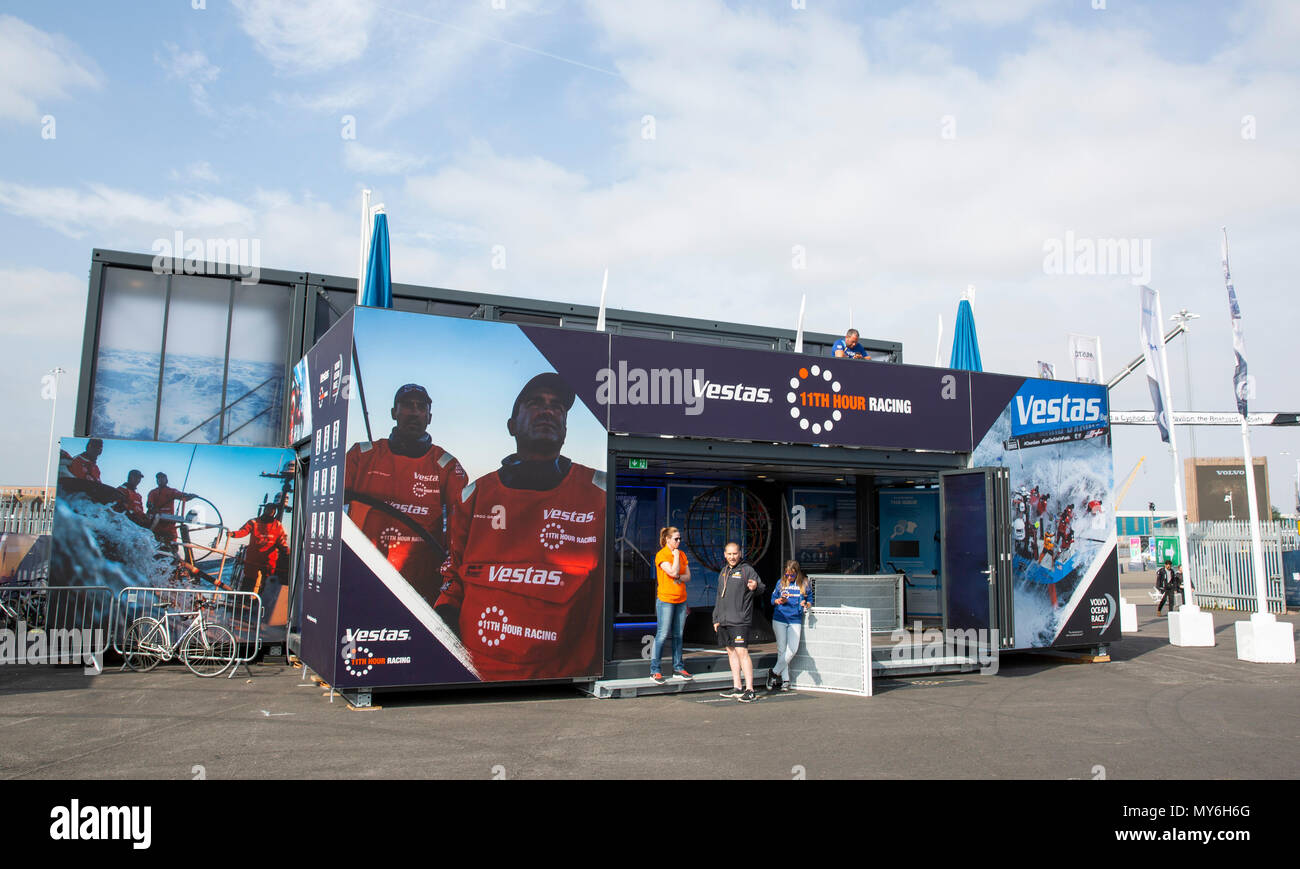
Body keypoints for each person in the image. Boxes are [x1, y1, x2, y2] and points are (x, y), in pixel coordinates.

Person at [436, 373, 605, 682]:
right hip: (476, 673)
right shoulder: (474, 496)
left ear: (566, 428)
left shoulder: (599, 494)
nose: (548, 411)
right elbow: (453, 576)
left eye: (558, 407)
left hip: (565, 678)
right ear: (512, 425)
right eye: (535, 402)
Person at [344, 383, 469, 601]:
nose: (414, 412)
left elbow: (461, 532)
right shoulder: (360, 456)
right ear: (394, 413)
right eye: (407, 405)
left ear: (429, 417)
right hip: (362, 577)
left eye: (421, 407)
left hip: (420, 593)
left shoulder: (447, 467)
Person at [712, 541, 765, 703]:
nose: (732, 557)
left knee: (742, 652)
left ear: (740, 553)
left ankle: (750, 689)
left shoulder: (747, 570)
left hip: (740, 619)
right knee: (731, 652)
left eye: (735, 554)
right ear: (725, 554)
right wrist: (716, 618)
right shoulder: (723, 571)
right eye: (729, 554)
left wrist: (755, 586)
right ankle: (737, 687)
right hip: (724, 620)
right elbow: (719, 596)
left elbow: (761, 588)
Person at [650, 526, 692, 684]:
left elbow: (687, 576)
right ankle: (655, 670)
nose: (679, 541)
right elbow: (673, 572)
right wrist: (674, 556)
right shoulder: (662, 555)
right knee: (662, 634)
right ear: (667, 540)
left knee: (678, 634)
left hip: (681, 599)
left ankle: (678, 667)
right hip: (666, 600)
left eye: (680, 538)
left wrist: (679, 577)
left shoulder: (682, 554)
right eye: (676, 539)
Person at [767, 560, 810, 692]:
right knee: (782, 649)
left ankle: (773, 673)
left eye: (792, 575)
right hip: (780, 618)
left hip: (795, 619)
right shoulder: (781, 583)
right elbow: (772, 600)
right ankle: (785, 680)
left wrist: (806, 604)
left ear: (797, 573)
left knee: (792, 649)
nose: (789, 577)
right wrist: (779, 600)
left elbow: (810, 600)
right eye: (787, 575)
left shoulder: (804, 584)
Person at [229, 504, 289, 595]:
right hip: (253, 557)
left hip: (269, 559)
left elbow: (281, 540)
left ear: (274, 512)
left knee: (268, 581)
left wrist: (287, 551)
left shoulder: (277, 525)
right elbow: (244, 531)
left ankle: (262, 602)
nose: (270, 512)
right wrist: (233, 534)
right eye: (268, 509)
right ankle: (243, 601)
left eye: (272, 510)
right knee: (249, 580)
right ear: (264, 510)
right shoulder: (253, 522)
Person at [146, 472, 197, 558]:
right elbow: (149, 503)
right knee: (156, 548)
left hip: (169, 527)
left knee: (172, 547)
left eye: (162, 478)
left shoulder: (171, 491)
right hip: (157, 526)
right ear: (157, 481)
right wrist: (151, 506)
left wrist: (189, 496)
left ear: (166, 480)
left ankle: (174, 562)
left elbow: (182, 496)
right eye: (158, 478)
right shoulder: (153, 492)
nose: (160, 480)